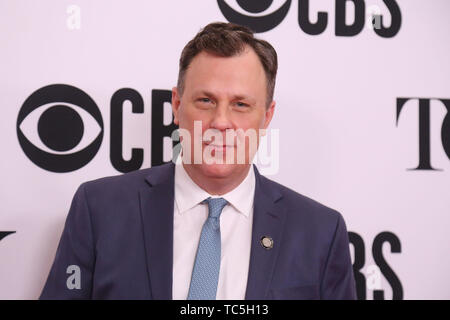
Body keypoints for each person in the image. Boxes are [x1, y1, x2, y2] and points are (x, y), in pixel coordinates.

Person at [40, 22, 356, 300]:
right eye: (205, 100)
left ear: (267, 116)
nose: (221, 121)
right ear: (177, 105)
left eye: (241, 104)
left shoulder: (320, 234)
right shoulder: (99, 210)